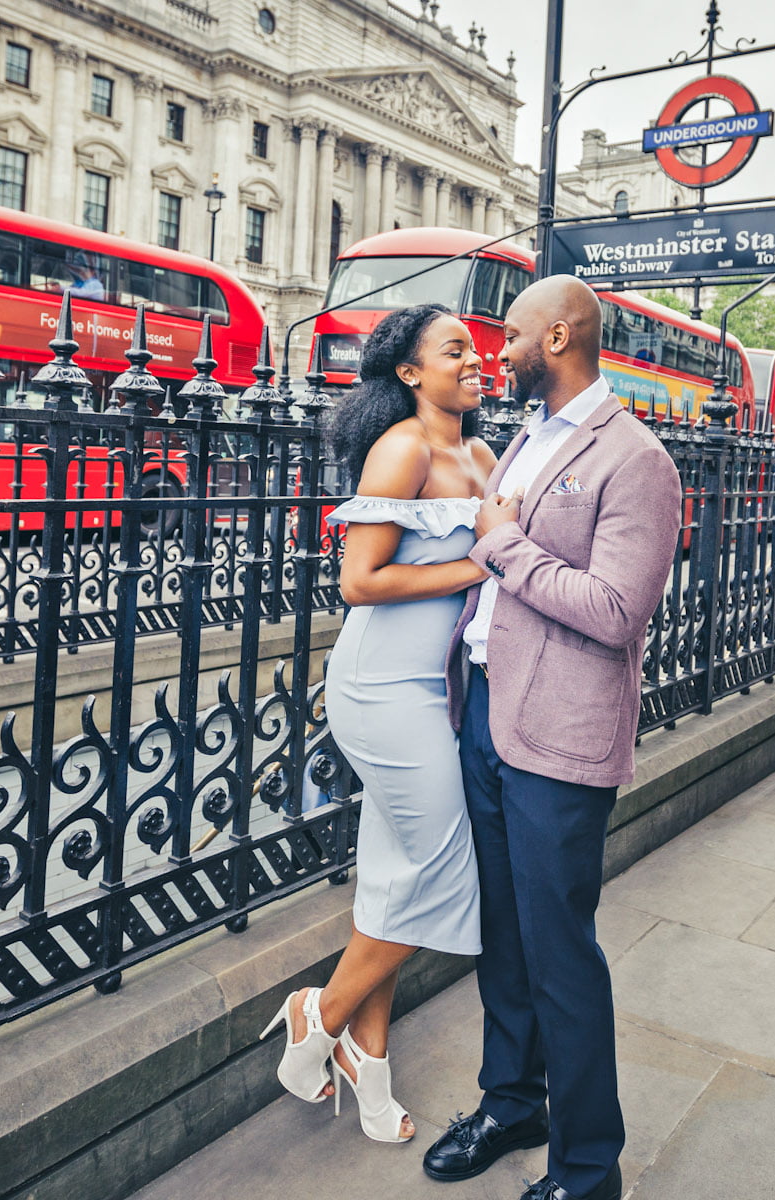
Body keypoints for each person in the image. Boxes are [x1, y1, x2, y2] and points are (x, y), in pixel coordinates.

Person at [422, 277, 680, 1200]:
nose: (501, 347)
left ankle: (586, 1169)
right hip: (490, 716)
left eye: (516, 332)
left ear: (560, 335)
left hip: (562, 738)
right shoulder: (529, 436)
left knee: (560, 949)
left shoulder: (636, 459)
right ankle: (510, 1102)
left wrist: (501, 546)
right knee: (503, 933)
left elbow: (616, 610)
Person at [264, 304, 493, 1144]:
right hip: (381, 686)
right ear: (410, 373)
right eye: (455, 350)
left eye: (476, 349)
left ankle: (370, 1062)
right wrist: (480, 558)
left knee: (398, 875)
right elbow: (360, 580)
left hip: (435, 687)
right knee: (444, 865)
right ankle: (316, 1017)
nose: (476, 360)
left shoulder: (481, 453)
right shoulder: (403, 449)